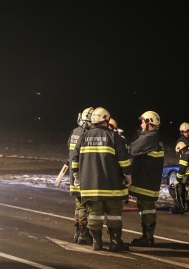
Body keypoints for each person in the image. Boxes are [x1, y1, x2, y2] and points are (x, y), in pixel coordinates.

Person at [71, 107, 132, 251]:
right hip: (112, 186)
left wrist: (77, 176)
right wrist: (127, 175)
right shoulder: (114, 137)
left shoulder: (83, 137)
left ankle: (97, 242)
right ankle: (115, 242)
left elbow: (75, 159)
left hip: (90, 187)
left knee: (94, 215)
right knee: (114, 215)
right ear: (106, 119)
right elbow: (123, 160)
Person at [128, 111, 165, 247]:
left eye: (143, 121)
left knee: (147, 208)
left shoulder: (150, 138)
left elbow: (131, 149)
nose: (141, 124)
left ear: (149, 123)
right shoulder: (154, 137)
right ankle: (147, 236)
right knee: (145, 208)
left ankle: (147, 238)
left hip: (145, 181)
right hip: (149, 180)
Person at [67, 107, 94, 245]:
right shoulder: (87, 134)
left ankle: (78, 232)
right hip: (82, 176)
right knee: (84, 206)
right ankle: (84, 234)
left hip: (74, 176)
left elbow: (71, 153)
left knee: (78, 205)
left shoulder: (74, 132)